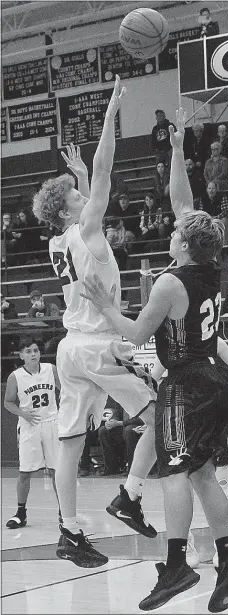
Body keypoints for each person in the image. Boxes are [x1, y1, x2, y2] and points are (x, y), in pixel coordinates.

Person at [80, 108, 228, 612]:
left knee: (172, 473)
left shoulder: (170, 281)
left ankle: (176, 564)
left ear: (185, 244)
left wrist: (106, 308)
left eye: (175, 232)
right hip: (214, 380)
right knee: (204, 473)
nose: (169, 231)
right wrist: (175, 149)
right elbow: (184, 203)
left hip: (186, 383)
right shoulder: (211, 268)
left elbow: (138, 331)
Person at [32, 77, 158, 569]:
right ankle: (129, 494)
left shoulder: (57, 241)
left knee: (70, 444)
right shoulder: (87, 228)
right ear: (70, 208)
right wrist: (109, 117)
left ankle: (69, 530)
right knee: (161, 413)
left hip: (69, 348)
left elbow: (87, 199)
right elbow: (106, 171)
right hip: (101, 346)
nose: (87, 198)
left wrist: (77, 179)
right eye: (77, 195)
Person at [4, 337, 61, 529]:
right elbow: (8, 402)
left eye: (36, 350)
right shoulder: (15, 376)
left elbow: (66, 390)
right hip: (29, 426)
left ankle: (65, 512)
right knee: (25, 472)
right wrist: (23, 413)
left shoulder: (51, 369)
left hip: (52, 422)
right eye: (28, 351)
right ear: (21, 355)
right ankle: (21, 513)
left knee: (56, 471)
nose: (33, 354)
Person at [197, 180, 228, 251]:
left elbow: (225, 212)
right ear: (207, 189)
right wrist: (209, 219)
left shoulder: (222, 196)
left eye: (213, 188)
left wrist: (215, 219)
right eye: (209, 188)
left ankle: (226, 246)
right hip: (209, 219)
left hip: (223, 218)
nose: (211, 190)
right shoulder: (203, 198)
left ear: (216, 189)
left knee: (224, 221)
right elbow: (201, 212)